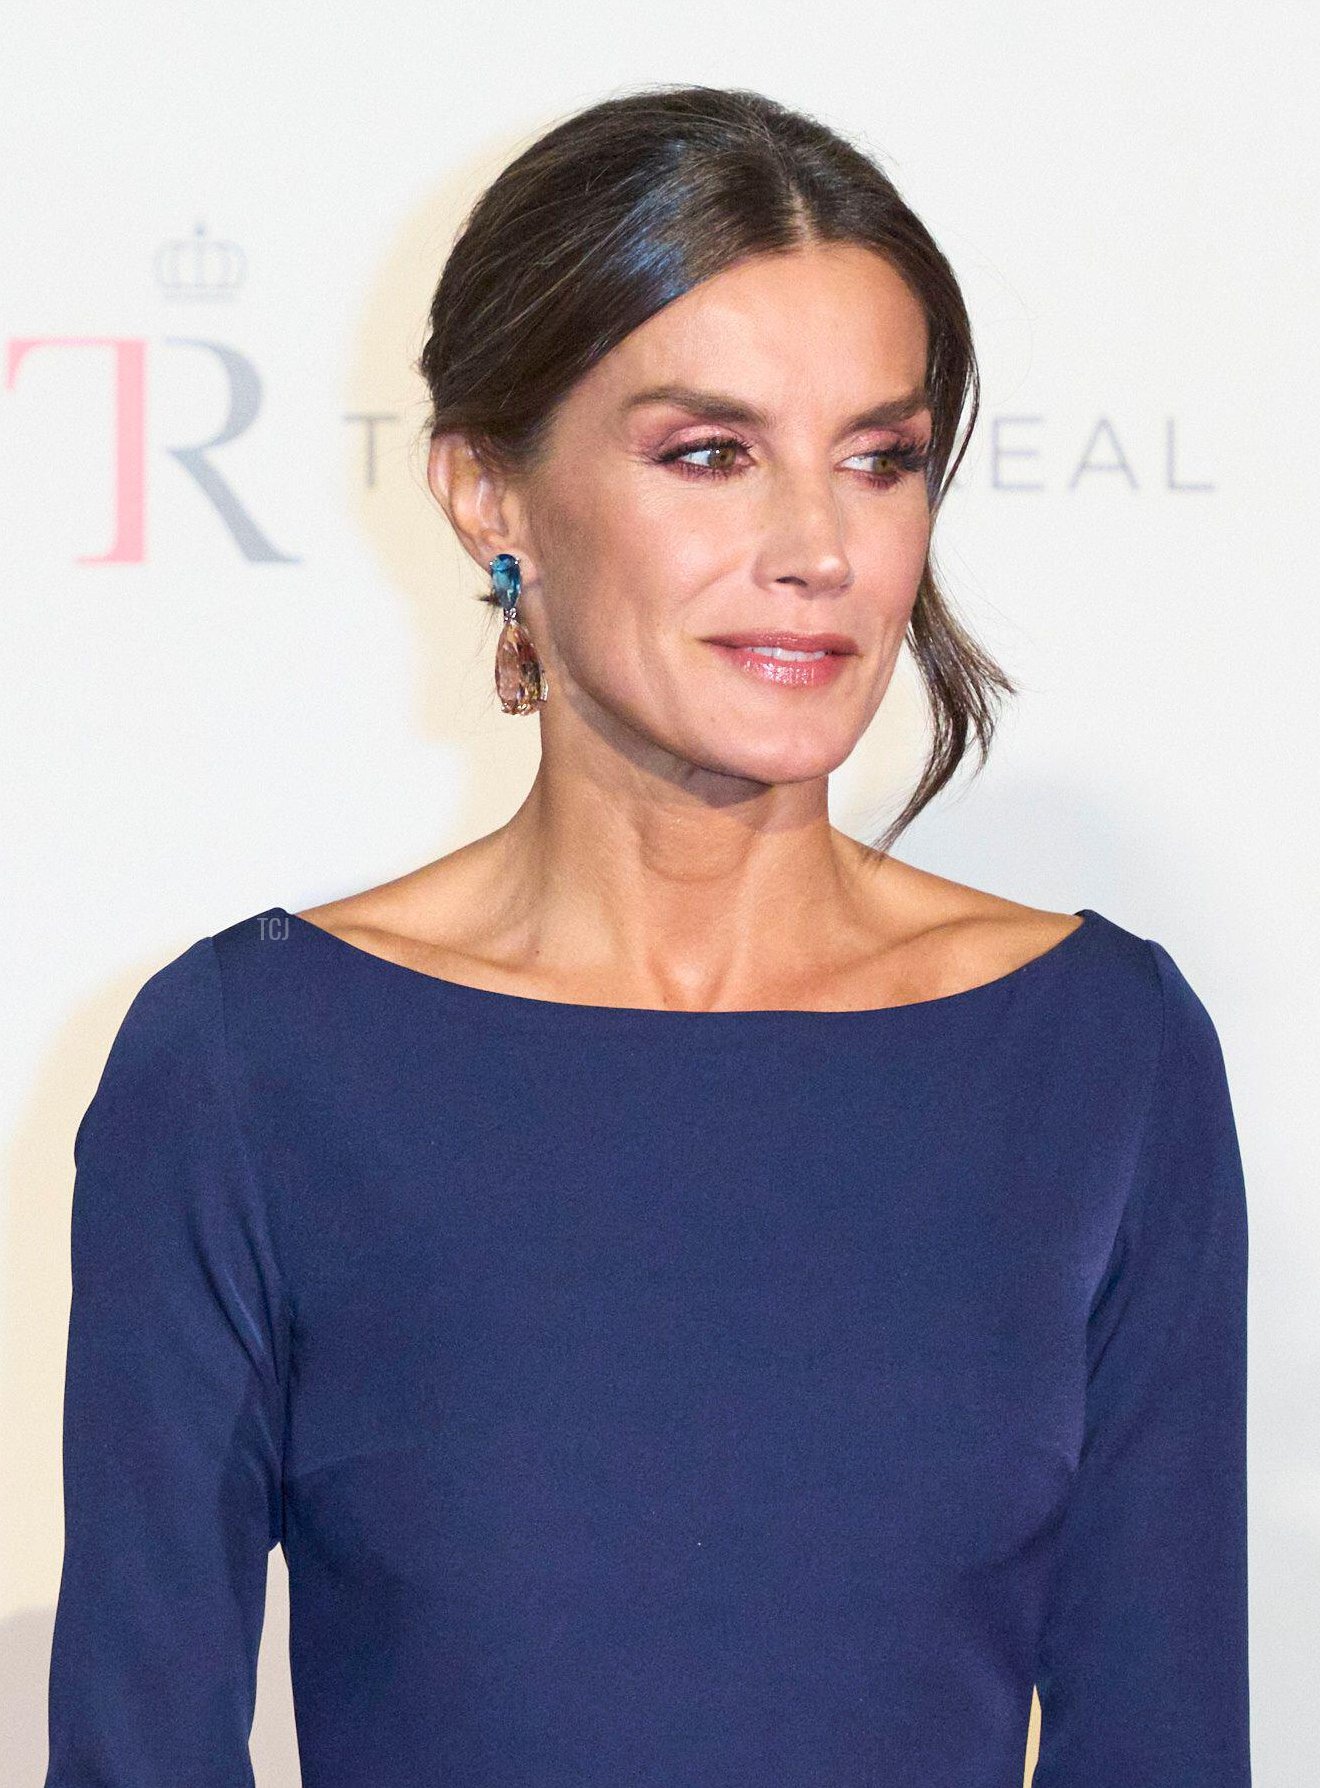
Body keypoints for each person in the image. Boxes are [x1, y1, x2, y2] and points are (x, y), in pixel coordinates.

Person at [43, 84, 1251, 1787]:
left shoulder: (1097, 1055)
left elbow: (1166, 1736)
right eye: (709, 454)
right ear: (487, 493)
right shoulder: (251, 1066)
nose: (820, 550)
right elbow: (139, 1748)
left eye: (881, 459)